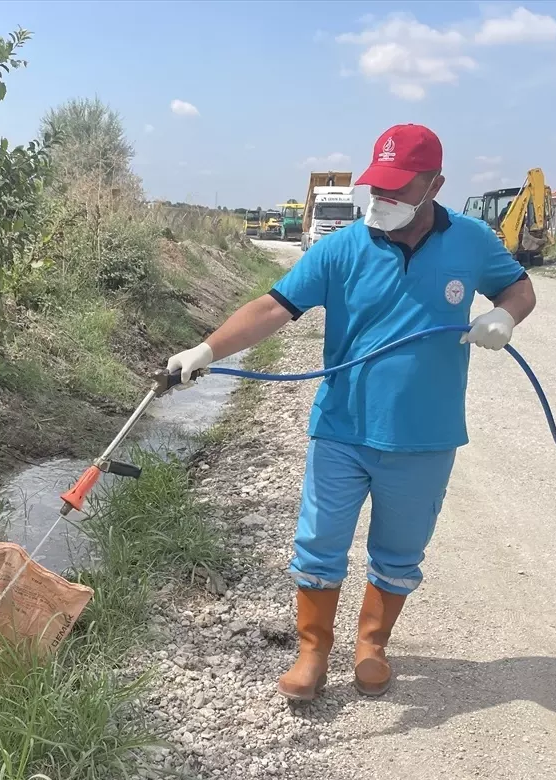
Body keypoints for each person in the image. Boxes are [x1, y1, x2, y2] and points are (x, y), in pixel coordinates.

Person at [166, 124, 536, 699]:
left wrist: (504, 316)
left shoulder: (472, 241)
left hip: (426, 436)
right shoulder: (341, 248)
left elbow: (520, 289)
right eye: (376, 185)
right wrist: (206, 350)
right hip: (342, 428)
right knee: (319, 544)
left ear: (435, 185)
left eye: (397, 187)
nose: (381, 197)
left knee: (400, 551)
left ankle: (372, 647)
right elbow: (273, 307)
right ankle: (312, 653)